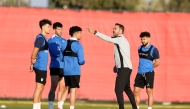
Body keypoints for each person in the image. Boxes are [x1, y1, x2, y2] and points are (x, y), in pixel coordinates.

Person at [87, 23, 137, 109]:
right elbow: (124, 55)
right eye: (113, 28)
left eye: (115, 29)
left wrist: (95, 32)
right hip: (126, 67)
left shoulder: (120, 39)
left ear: (121, 31)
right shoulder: (122, 40)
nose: (113, 30)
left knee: (118, 90)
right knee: (127, 89)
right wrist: (117, 65)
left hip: (124, 68)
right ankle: (135, 107)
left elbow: (107, 38)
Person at [58, 26, 85, 109]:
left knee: (68, 89)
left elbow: (61, 58)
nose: (81, 35)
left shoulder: (64, 43)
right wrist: (83, 62)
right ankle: (72, 108)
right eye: (80, 33)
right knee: (73, 91)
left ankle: (60, 105)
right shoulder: (78, 45)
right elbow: (81, 61)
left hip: (66, 71)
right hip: (75, 71)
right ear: (76, 34)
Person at [133, 32, 160, 109]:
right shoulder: (139, 48)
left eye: (144, 39)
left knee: (149, 92)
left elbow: (158, 62)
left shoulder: (154, 50)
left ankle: (149, 108)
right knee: (136, 91)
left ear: (149, 38)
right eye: (141, 39)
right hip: (139, 73)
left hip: (149, 74)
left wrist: (150, 68)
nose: (142, 41)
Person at [30, 19, 52, 109]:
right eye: (48, 26)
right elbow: (34, 51)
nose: (49, 28)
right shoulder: (40, 38)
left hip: (43, 67)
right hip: (40, 66)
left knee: (41, 87)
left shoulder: (44, 38)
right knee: (39, 88)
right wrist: (32, 61)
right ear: (43, 27)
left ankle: (38, 107)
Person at [48, 22, 67, 109]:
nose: (60, 31)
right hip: (55, 66)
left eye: (61, 29)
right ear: (54, 29)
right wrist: (63, 51)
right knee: (54, 86)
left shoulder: (64, 40)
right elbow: (56, 53)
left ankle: (59, 106)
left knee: (62, 87)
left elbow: (66, 53)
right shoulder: (51, 40)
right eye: (58, 29)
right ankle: (50, 106)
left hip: (64, 66)